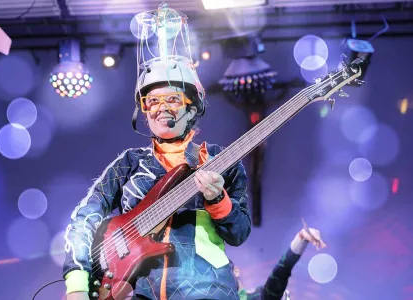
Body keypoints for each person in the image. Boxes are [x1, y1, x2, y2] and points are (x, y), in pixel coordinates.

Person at [62, 54, 252, 300]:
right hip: (139, 292)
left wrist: (218, 200)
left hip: (208, 288)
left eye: (172, 99)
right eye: (151, 101)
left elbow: (240, 233)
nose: (161, 108)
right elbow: (85, 217)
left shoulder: (220, 161)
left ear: (191, 108)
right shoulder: (130, 163)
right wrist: (76, 282)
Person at [232, 226, 327, 300]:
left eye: (223, 271)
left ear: (236, 271)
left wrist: (301, 239)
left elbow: (282, 270)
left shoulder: (260, 296)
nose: (220, 278)